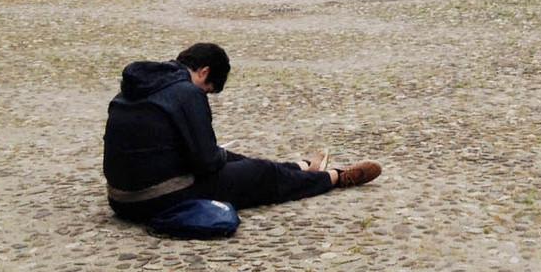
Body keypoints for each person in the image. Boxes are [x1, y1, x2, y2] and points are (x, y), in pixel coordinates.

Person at [103, 42, 381, 223]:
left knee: (237, 161)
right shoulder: (186, 92)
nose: (205, 95)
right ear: (204, 72)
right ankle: (333, 177)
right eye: (208, 91)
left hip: (122, 200)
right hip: (159, 199)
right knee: (260, 173)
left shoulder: (144, 86)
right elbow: (206, 161)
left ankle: (301, 166)